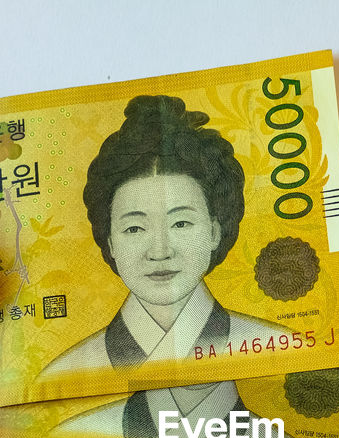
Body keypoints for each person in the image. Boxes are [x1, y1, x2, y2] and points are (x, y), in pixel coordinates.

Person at [43, 94, 286, 374]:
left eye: (180, 223)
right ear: (110, 243)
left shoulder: (280, 345)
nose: (160, 252)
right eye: (134, 228)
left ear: (215, 231)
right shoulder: (64, 373)